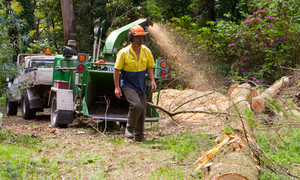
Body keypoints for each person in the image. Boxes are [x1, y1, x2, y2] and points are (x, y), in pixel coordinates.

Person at [113, 24, 157, 142]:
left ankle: (139, 136)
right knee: (136, 105)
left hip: (140, 84)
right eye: (138, 37)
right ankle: (129, 127)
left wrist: (152, 80)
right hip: (128, 84)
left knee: (142, 109)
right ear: (131, 38)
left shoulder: (146, 51)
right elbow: (116, 70)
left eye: (142, 37)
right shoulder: (123, 53)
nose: (141, 40)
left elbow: (150, 67)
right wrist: (117, 87)